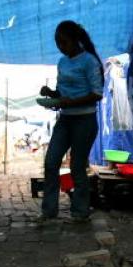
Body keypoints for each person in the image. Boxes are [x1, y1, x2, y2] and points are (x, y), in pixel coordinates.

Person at [38, 20, 104, 223]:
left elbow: (97, 94)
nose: (60, 46)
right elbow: (63, 93)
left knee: (76, 166)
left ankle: (80, 211)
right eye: (57, 43)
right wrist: (52, 94)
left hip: (85, 119)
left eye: (63, 42)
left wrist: (71, 101)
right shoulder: (62, 62)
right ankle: (49, 210)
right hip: (65, 119)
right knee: (51, 162)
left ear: (75, 40)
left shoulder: (89, 61)